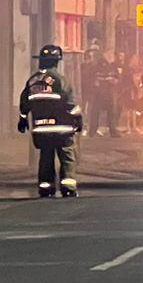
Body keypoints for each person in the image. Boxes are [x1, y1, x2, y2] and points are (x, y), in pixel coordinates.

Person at [18, 43, 82, 198]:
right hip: (62, 128)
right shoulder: (60, 80)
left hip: (41, 129)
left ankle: (46, 187)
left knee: (45, 158)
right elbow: (70, 103)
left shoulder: (32, 81)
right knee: (67, 156)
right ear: (56, 62)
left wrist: (23, 119)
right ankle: (68, 186)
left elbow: (24, 103)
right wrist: (78, 119)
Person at [87, 47, 121, 136]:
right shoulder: (98, 65)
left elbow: (118, 79)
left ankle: (113, 131)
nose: (112, 56)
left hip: (109, 92)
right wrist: (96, 82)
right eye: (110, 54)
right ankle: (92, 131)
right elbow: (91, 77)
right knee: (95, 112)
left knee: (111, 113)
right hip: (99, 93)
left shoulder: (114, 66)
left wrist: (114, 81)